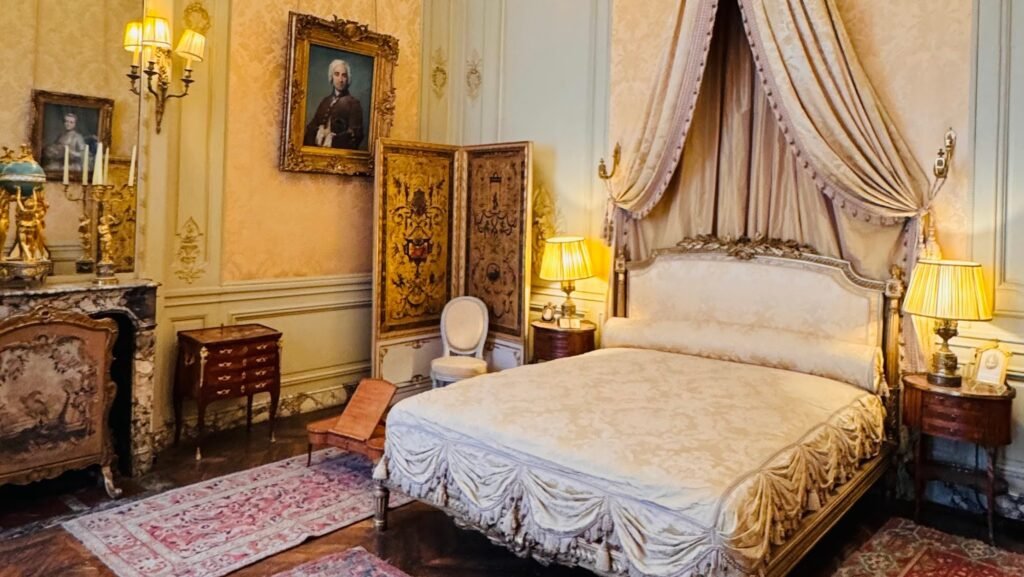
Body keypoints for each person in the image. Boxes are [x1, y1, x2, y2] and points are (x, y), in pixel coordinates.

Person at [303, 59, 364, 150]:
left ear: (347, 79)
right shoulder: (325, 101)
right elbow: (311, 128)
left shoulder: (354, 104)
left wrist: (333, 140)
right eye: (337, 74)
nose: (340, 79)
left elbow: (356, 135)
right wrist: (318, 133)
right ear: (332, 77)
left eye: (344, 75)